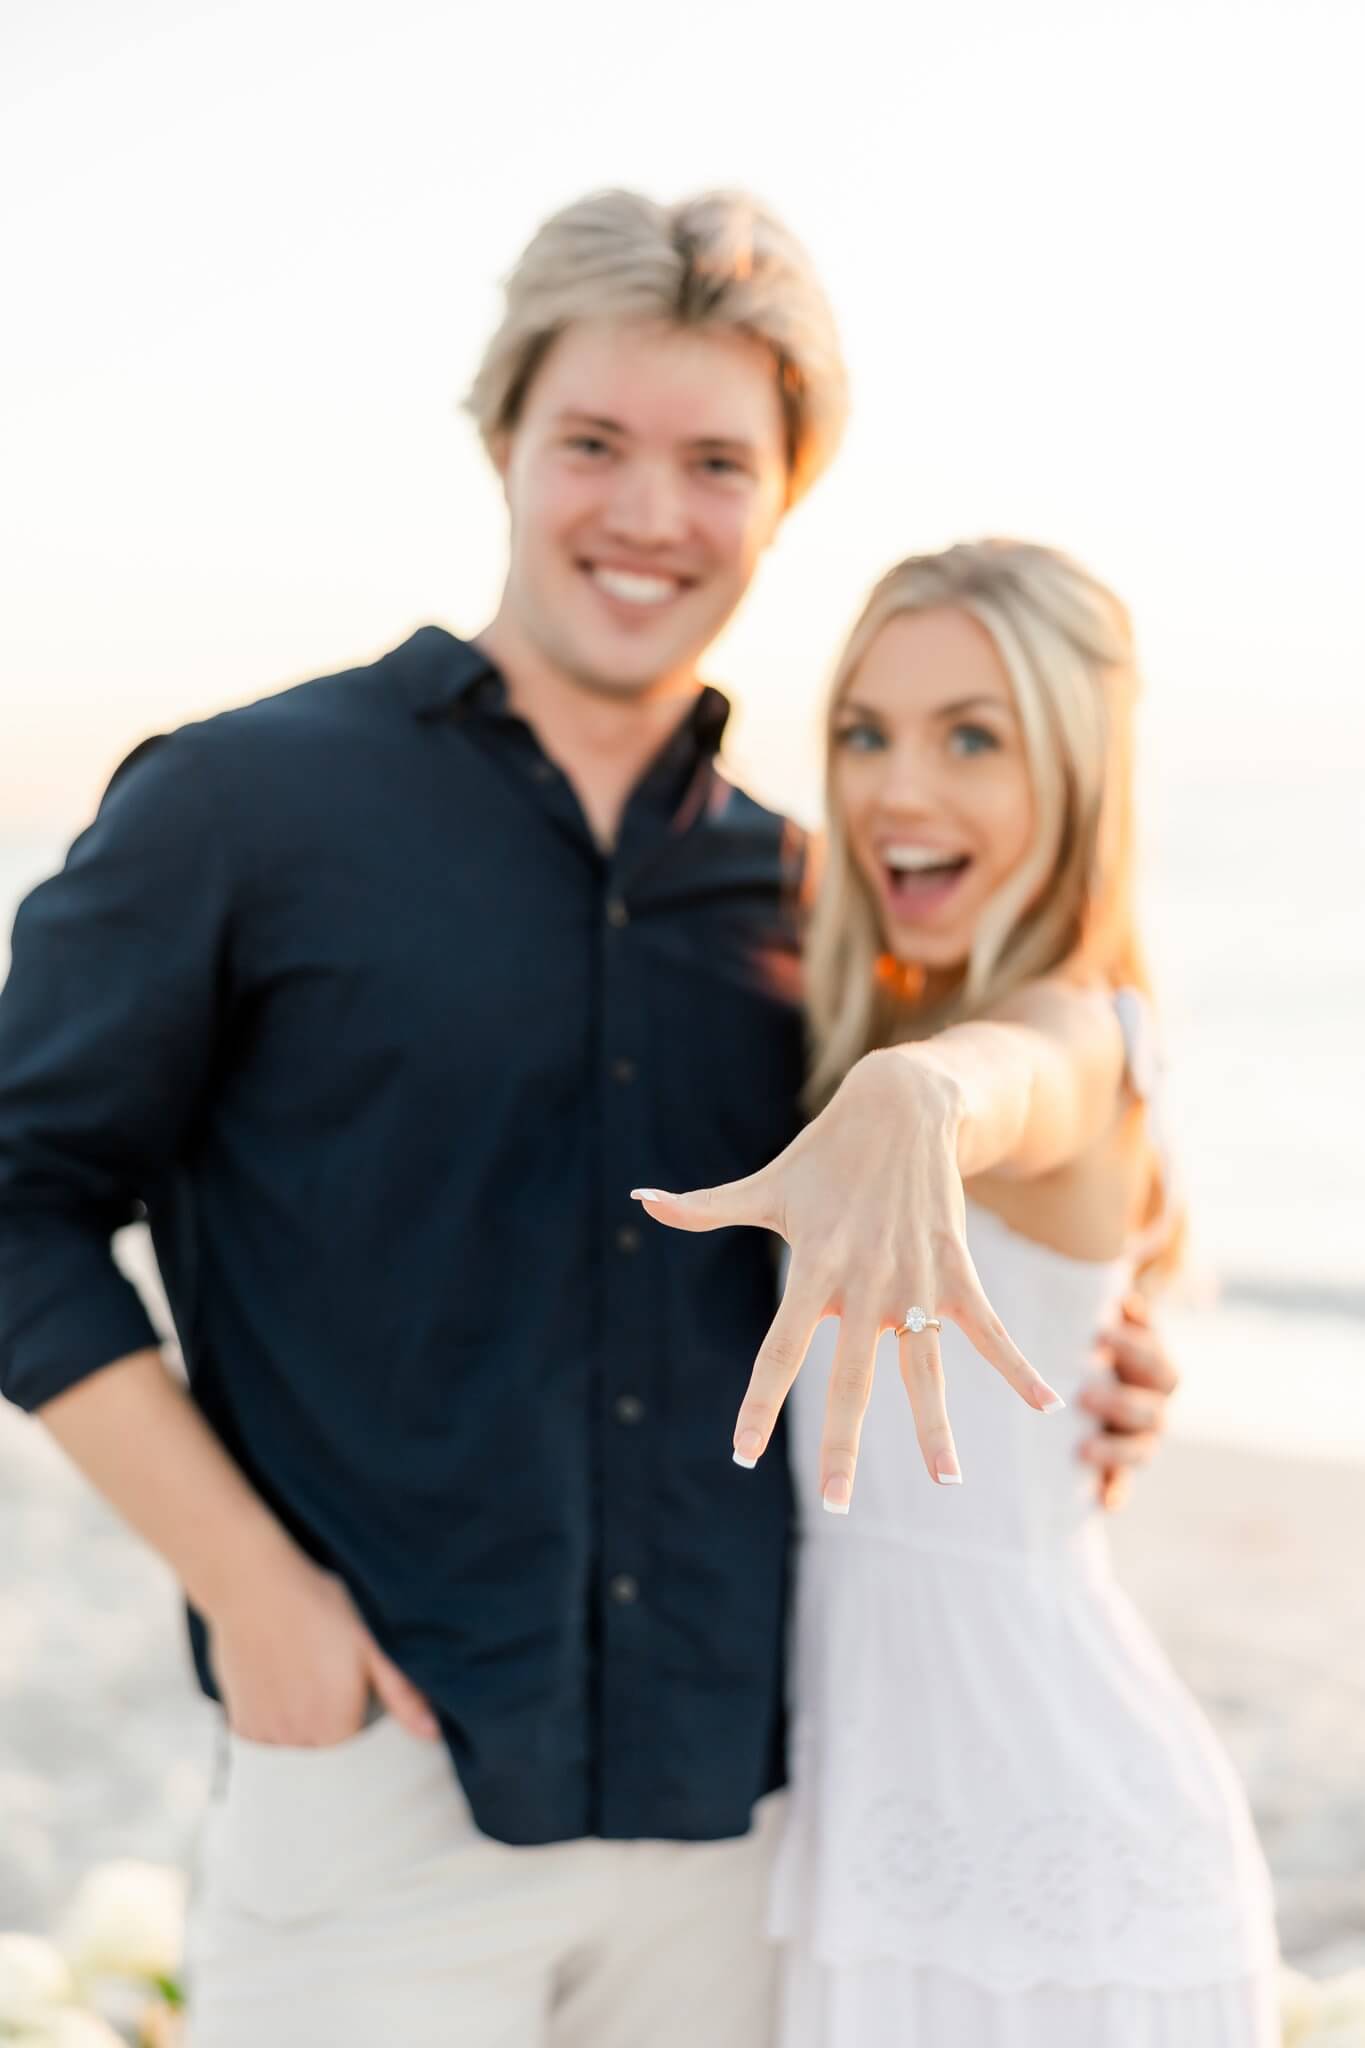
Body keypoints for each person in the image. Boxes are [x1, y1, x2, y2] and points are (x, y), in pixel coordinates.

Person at [0, 195, 1176, 2048]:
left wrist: (1097, 1356)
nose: (648, 515)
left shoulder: (819, 906)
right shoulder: (242, 810)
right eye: (596, 445)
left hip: (746, 1823)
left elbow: (994, 1163)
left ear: (783, 497)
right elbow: (19, 1204)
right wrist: (254, 1596)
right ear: (502, 440)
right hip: (378, 1780)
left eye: (715, 461)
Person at [640, 540, 1281, 2044]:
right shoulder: (859, 1005)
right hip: (869, 1834)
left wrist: (917, 1096)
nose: (896, 791)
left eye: (971, 737)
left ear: (1074, 776)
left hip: (1058, 1865)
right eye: (864, 731)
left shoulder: (1067, 1035)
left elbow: (1022, 1081)